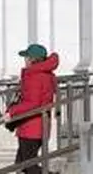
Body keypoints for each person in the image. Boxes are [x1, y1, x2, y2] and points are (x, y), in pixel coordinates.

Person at [7, 43, 60, 174]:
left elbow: (32, 103)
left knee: (28, 166)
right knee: (21, 165)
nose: (24, 60)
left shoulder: (34, 75)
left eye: (26, 57)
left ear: (32, 59)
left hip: (30, 126)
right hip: (39, 125)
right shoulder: (46, 74)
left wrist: (11, 112)